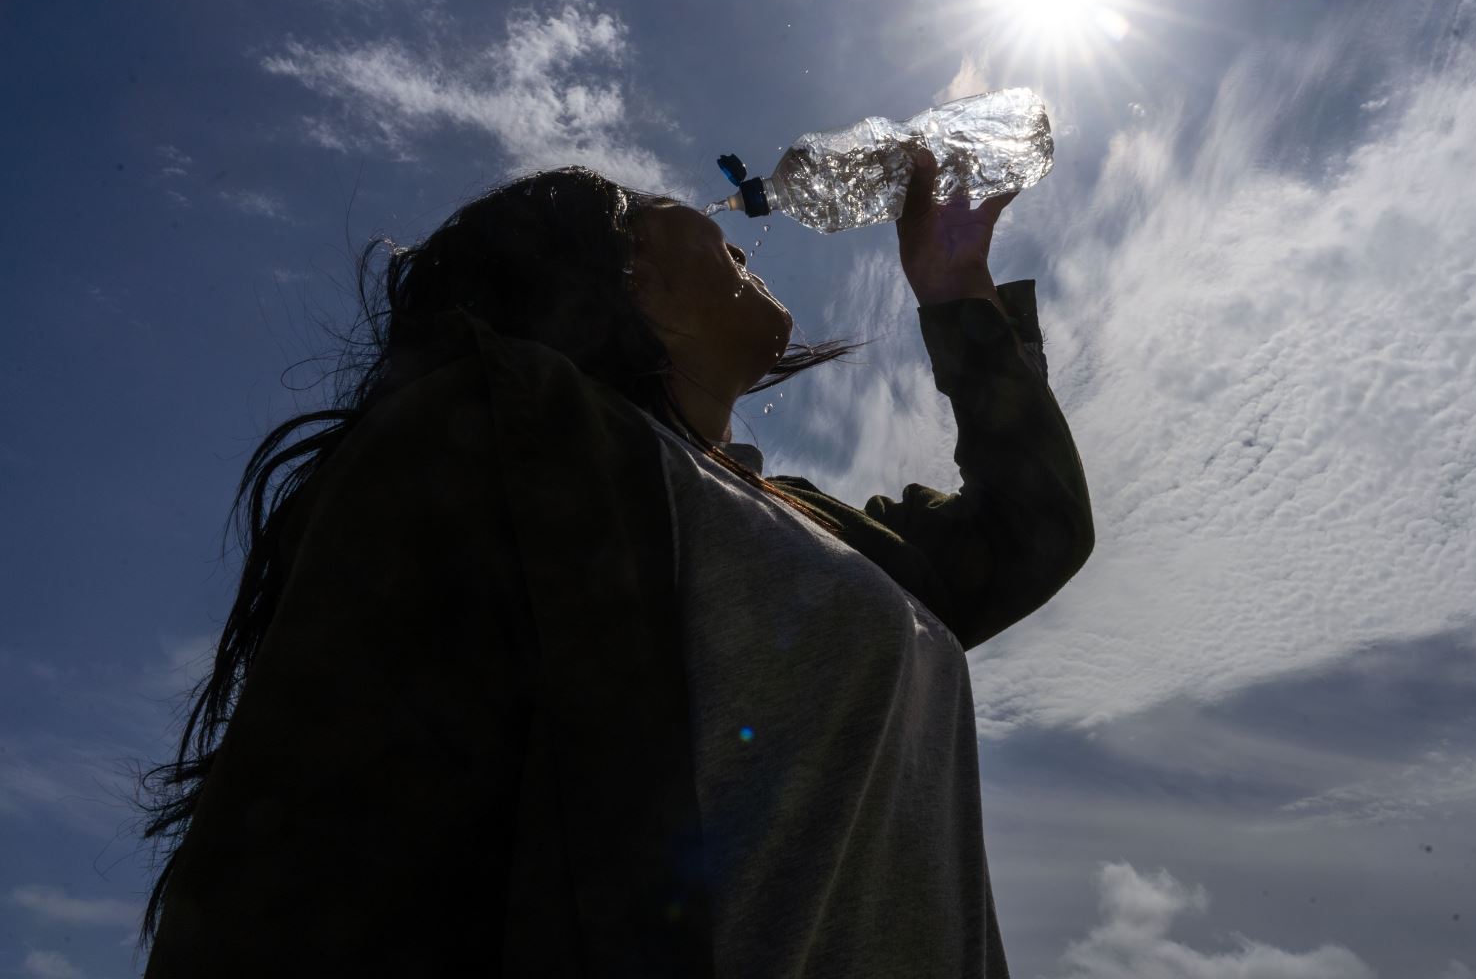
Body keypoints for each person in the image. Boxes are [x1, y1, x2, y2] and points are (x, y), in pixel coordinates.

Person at [133, 150, 1095, 976]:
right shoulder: (493, 441)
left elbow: (1033, 528)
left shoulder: (804, 523)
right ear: (616, 262)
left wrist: (957, 286)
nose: (711, 218)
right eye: (648, 203)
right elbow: (305, 869)